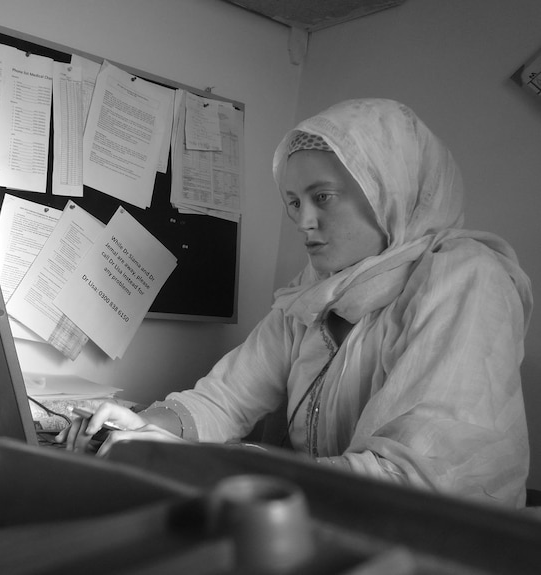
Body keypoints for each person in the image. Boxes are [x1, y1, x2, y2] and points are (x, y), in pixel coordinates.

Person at [58, 98, 533, 508]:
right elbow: (227, 397)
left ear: (392, 194)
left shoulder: (465, 279)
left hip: (433, 545)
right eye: (293, 202)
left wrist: (202, 461)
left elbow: (416, 483)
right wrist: (144, 426)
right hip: (324, 518)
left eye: (323, 197)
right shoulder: (313, 291)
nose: (304, 221)